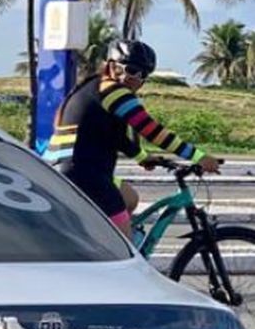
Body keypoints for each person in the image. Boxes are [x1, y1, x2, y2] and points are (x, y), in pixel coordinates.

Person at [45, 39, 221, 236]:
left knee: (130, 198)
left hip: (66, 168)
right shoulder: (114, 91)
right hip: (83, 174)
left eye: (143, 74)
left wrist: (142, 157)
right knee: (124, 247)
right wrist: (199, 157)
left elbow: (116, 136)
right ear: (112, 66)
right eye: (130, 70)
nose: (136, 78)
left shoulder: (95, 87)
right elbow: (152, 131)